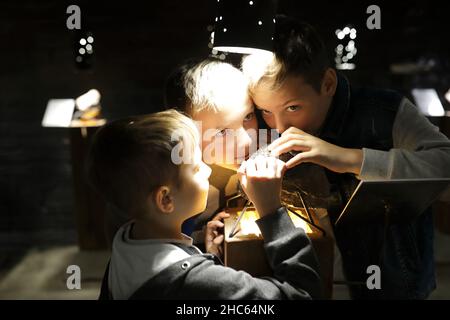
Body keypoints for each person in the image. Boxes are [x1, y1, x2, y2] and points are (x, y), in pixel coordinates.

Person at [241, 15, 450, 299]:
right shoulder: (266, 125)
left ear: (328, 83)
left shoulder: (384, 111)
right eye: (266, 110)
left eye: (292, 107)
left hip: (392, 285)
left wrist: (350, 158)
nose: (278, 126)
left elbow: (444, 165)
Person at [87, 109, 323, 299]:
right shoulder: (195, 282)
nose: (208, 169)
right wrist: (271, 210)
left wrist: (203, 258)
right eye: (197, 167)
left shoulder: (125, 243)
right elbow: (303, 293)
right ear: (165, 199)